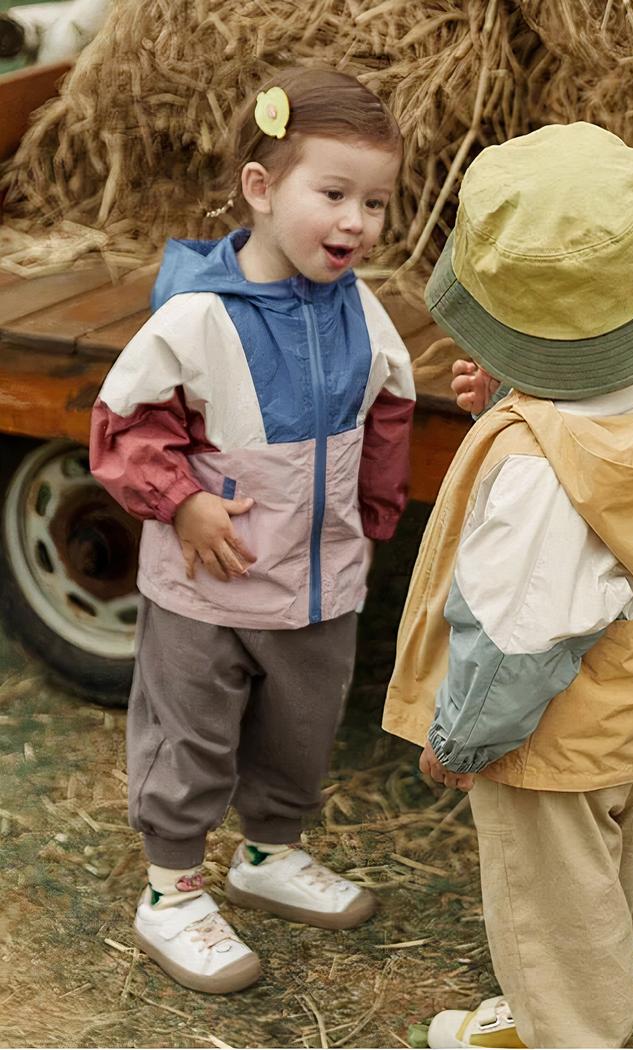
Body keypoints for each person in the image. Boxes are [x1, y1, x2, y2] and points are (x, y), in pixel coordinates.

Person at [383, 122, 633, 1047]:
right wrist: (517, 397)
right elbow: (594, 442)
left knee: (548, 914)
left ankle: (568, 1031)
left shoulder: (538, 476)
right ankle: (559, 1011)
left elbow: (515, 636)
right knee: (597, 885)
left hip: (549, 740)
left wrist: (458, 742)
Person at [89, 66, 415, 994]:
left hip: (317, 583)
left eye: (378, 202)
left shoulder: (363, 310)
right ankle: (172, 891)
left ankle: (270, 855)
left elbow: (389, 404)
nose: (356, 222)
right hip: (208, 586)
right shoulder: (197, 315)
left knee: (299, 730)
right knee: (190, 732)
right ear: (262, 190)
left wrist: (374, 508)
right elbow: (124, 424)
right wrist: (180, 498)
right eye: (335, 194)